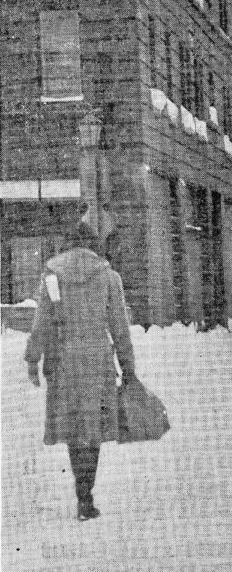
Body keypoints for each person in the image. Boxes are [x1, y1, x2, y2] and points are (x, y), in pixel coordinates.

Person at [24, 222, 136, 521]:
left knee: (74, 429)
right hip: (97, 362)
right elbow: (120, 328)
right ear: (92, 245)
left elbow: (41, 325)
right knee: (94, 429)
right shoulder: (109, 277)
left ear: (66, 245)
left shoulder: (52, 279)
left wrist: (32, 360)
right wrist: (128, 367)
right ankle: (87, 497)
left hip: (64, 362)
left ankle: (82, 495)